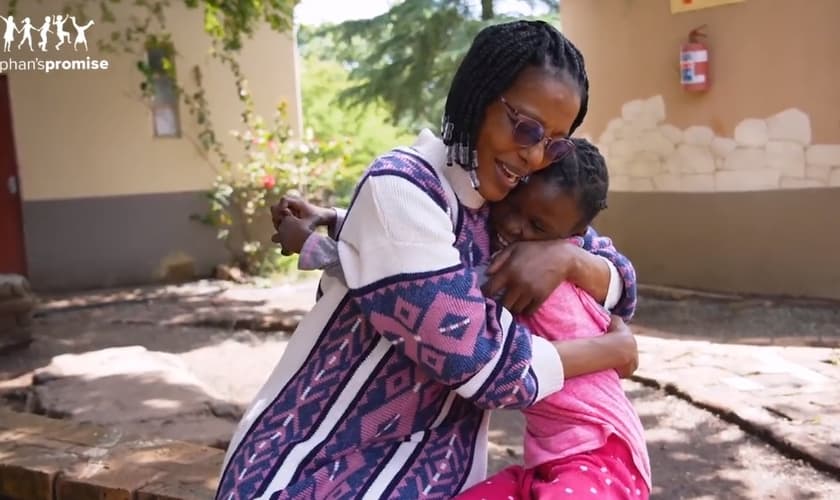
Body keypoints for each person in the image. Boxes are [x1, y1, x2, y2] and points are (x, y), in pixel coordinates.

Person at [216, 21, 638, 500]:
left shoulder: (511, 201)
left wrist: (567, 258)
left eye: (555, 143)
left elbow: (619, 276)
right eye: (526, 127)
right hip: (315, 471)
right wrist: (614, 351)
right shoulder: (403, 189)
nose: (534, 155)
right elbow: (485, 368)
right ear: (477, 97)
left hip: (432, 476)